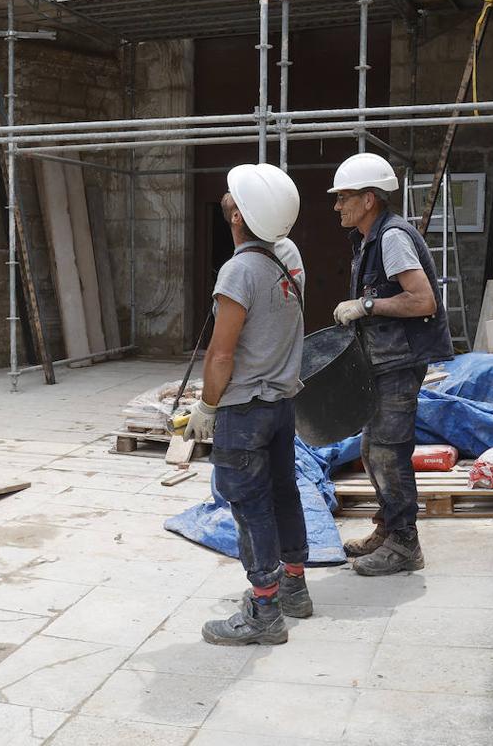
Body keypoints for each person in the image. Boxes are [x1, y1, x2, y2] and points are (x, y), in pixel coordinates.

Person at [185, 163, 310, 646]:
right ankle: (295, 586)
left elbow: (221, 354)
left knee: (250, 506)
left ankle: (264, 610)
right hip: (282, 404)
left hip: (244, 410)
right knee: (284, 493)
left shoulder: (238, 271)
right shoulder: (290, 255)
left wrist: (207, 407)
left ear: (237, 217)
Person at [328, 153, 453, 576]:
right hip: (382, 361)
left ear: (369, 200)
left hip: (400, 363)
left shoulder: (391, 237)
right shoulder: (369, 238)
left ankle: (405, 544)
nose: (337, 206)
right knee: (371, 449)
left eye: (343, 197)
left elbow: (423, 300)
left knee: (388, 451)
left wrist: (365, 305)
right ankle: (387, 528)